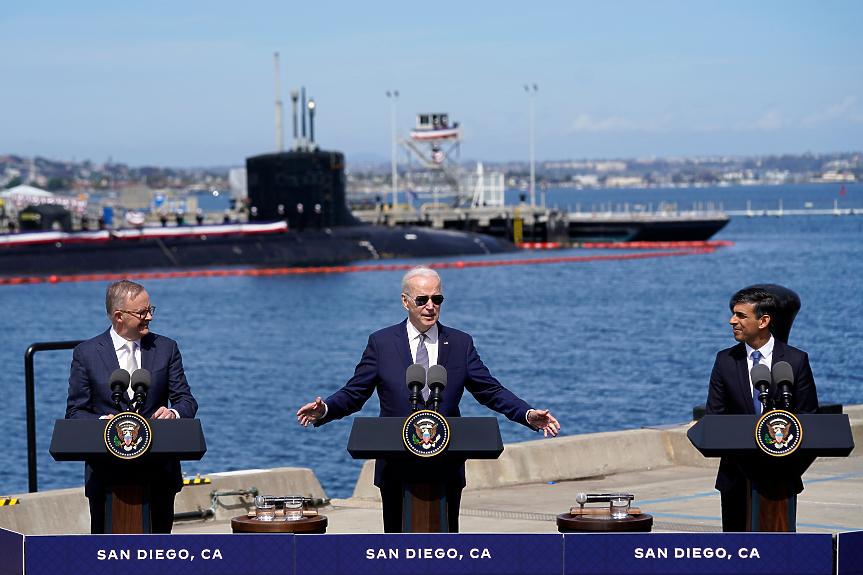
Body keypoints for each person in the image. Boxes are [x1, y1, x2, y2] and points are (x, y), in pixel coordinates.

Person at [297, 266, 560, 532]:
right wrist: (326, 409)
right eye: (422, 300)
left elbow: (490, 390)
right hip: (395, 467)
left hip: (445, 466)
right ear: (405, 302)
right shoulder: (382, 343)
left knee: (444, 549)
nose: (430, 306)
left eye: (437, 299)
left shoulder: (459, 343)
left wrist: (528, 415)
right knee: (398, 550)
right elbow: (355, 393)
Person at [66, 280, 198, 533]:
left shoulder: (166, 348)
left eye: (151, 310)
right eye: (141, 312)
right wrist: (99, 425)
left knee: (157, 553)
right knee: (108, 558)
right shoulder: (86, 353)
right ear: (119, 316)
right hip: (106, 474)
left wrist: (173, 413)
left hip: (158, 471)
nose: (149, 317)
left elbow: (186, 400)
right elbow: (74, 413)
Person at [705, 286, 818, 532]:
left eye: (741, 315)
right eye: (733, 314)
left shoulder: (796, 360)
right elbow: (714, 416)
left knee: (779, 554)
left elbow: (809, 417)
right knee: (737, 553)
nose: (732, 320)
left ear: (763, 321)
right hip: (735, 478)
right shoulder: (725, 361)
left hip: (782, 477)